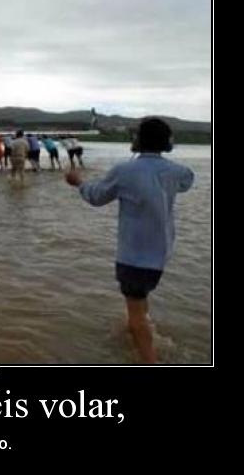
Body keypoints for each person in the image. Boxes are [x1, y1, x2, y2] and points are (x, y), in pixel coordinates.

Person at [65, 117, 194, 364]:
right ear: (167, 142)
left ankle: (149, 359)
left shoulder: (124, 171)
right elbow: (187, 180)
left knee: (135, 312)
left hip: (133, 256)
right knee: (139, 300)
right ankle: (137, 332)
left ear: (138, 140)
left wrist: (79, 182)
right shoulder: (178, 172)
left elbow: (96, 197)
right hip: (161, 254)